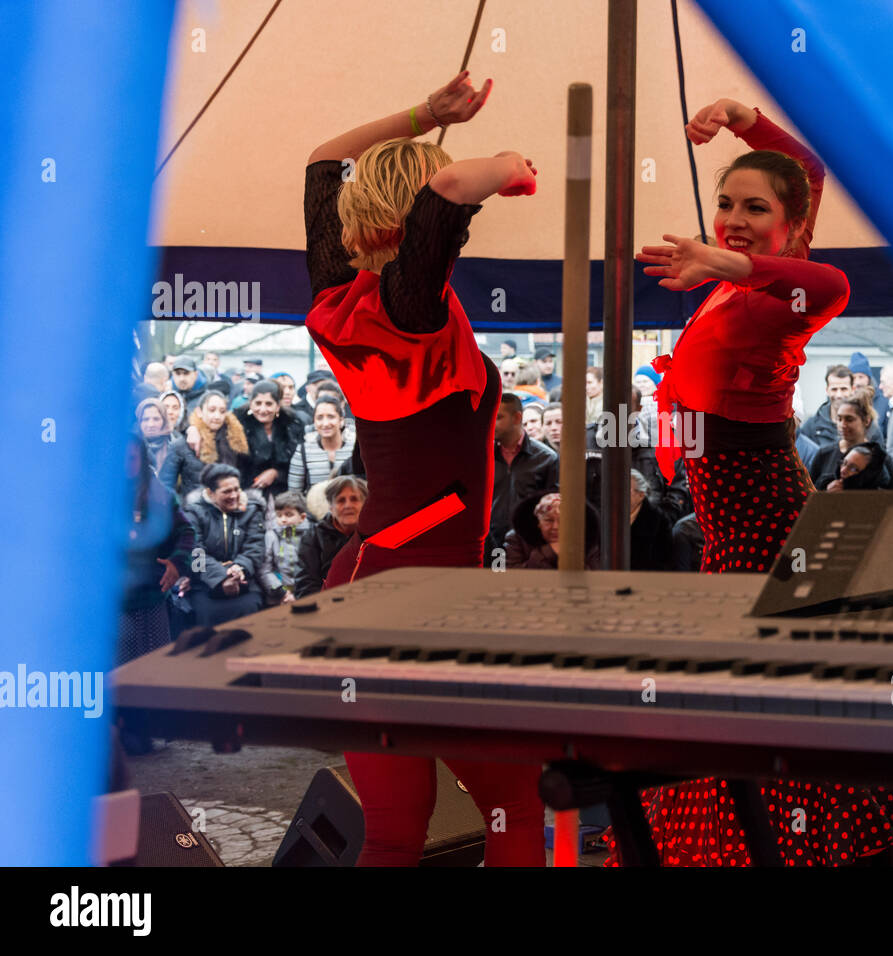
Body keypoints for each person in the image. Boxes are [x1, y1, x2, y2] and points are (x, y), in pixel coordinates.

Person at [622, 96, 893, 867]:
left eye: (756, 208)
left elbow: (828, 288)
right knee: (755, 704)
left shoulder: (785, 297)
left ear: (792, 226)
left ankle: (804, 847)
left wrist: (721, 258)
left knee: (767, 703)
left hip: (763, 525)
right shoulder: (737, 284)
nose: (734, 218)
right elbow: (807, 171)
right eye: (725, 205)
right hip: (734, 528)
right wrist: (744, 118)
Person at [302, 68, 544, 866]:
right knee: (514, 800)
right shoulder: (413, 306)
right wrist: (510, 161)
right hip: (422, 594)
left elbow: (321, 157)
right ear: (419, 223)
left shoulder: (341, 295)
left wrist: (425, 112)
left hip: (369, 579)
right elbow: (447, 186)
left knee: (397, 832)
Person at [119, 434, 194, 666]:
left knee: (155, 667)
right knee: (117, 673)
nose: (125, 464)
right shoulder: (95, 497)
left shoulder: (158, 495)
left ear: (141, 459)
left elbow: (186, 533)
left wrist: (176, 563)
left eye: (131, 457)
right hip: (113, 599)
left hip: (151, 596)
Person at [183, 463, 265, 627]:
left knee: (250, 611)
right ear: (210, 493)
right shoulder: (193, 513)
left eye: (237, 489)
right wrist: (221, 577)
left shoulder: (252, 511)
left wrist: (238, 569)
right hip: (205, 583)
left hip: (242, 581)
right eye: (227, 491)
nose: (234, 495)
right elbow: (195, 552)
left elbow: (255, 548)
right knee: (204, 615)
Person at [486, 393, 559, 562]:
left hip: (528, 545)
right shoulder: (484, 455)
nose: (491, 423)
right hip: (491, 542)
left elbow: (553, 505)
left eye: (498, 418)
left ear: (517, 418)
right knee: (494, 585)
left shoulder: (546, 458)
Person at [158, 389, 250, 498]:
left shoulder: (235, 442)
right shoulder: (182, 445)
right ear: (199, 412)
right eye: (212, 410)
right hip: (192, 511)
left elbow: (244, 480)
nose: (217, 416)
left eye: (222, 411)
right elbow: (164, 486)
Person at [294, 476, 366, 598]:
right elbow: (306, 584)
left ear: (365, 504)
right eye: (340, 500)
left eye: (354, 499)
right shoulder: (313, 537)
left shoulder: (374, 534)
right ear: (331, 507)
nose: (348, 505)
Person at [232, 379, 305, 498]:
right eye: (258, 403)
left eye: (269, 404)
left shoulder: (292, 426)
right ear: (251, 404)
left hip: (285, 494)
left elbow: (299, 465)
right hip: (247, 493)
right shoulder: (237, 426)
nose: (263, 409)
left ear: (277, 406)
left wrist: (276, 473)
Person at [502, 491, 599, 569]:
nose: (555, 527)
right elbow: (510, 577)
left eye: (562, 521)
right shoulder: (515, 539)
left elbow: (593, 577)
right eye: (549, 520)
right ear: (538, 522)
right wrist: (547, 552)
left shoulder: (586, 540)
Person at [807, 389, 875, 490]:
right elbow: (809, 494)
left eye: (849, 419)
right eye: (839, 419)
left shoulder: (878, 457)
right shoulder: (824, 454)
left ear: (866, 421)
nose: (842, 425)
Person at [288, 395, 355, 491]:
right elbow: (294, 494)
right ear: (314, 422)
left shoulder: (355, 449)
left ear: (341, 421)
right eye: (319, 418)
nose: (325, 423)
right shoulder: (303, 451)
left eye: (331, 417)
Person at [261, 491, 313, 605]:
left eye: (289, 514)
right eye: (279, 515)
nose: (283, 519)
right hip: (279, 595)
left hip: (307, 593)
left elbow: (314, 570)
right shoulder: (271, 536)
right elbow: (265, 570)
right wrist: (282, 592)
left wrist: (299, 594)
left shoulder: (311, 535)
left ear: (302, 517)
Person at [629, 469, 673, 570]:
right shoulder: (610, 515)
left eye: (625, 489)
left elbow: (663, 560)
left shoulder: (659, 520)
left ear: (641, 495)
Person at [798, 364, 852, 447]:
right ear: (827, 390)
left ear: (852, 389)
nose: (839, 395)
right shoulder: (811, 426)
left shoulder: (865, 424)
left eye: (843, 389)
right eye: (834, 389)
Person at [825, 441, 893, 491]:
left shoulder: (879, 501)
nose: (843, 470)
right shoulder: (825, 484)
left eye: (853, 469)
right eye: (844, 463)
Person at [135, 397, 172, 476]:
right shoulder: (131, 445)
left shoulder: (174, 443)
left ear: (164, 420)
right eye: (145, 419)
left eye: (156, 419)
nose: (151, 424)